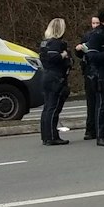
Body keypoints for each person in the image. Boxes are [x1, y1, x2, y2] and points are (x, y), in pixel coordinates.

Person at [79, 9, 104, 145]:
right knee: (102, 104)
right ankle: (100, 135)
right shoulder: (96, 35)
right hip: (100, 74)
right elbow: (92, 56)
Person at [38, 18, 73, 146]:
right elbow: (54, 57)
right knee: (53, 108)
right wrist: (64, 56)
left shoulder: (44, 43)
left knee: (47, 107)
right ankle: (52, 136)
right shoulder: (56, 44)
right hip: (56, 77)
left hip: (46, 76)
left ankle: (46, 136)